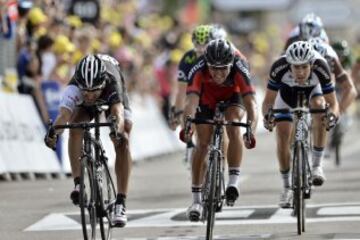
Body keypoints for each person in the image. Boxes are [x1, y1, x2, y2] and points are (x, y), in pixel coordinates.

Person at [44, 54, 132, 227]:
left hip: (111, 95)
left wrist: (117, 131)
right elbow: (64, 116)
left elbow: (118, 113)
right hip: (88, 95)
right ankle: (78, 184)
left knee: (124, 138)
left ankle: (121, 202)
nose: (90, 96)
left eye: (94, 91)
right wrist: (53, 133)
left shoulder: (111, 80)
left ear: (102, 84)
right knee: (75, 126)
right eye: (86, 91)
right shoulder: (75, 85)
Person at [180, 39, 258, 221]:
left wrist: (251, 130)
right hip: (206, 97)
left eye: (223, 68)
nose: (218, 73)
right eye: (214, 68)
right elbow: (190, 102)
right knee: (203, 143)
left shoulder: (240, 65)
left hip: (233, 96)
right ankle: (197, 200)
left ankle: (233, 182)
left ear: (231, 64)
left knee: (233, 125)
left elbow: (251, 104)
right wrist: (187, 126)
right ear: (207, 64)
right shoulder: (198, 68)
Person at [262, 41, 339, 208]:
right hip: (286, 94)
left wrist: (331, 116)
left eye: (304, 67)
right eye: (296, 67)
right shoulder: (279, 67)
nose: (301, 72)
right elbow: (268, 101)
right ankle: (287, 186)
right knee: (282, 134)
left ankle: (317, 165)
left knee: (320, 107)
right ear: (289, 64)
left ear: (311, 64)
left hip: (313, 92)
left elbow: (333, 103)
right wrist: (268, 116)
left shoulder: (321, 66)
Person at [169, 24, 214, 129]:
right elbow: (181, 90)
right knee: (188, 108)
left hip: (215, 88)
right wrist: (178, 111)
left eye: (205, 44)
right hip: (196, 90)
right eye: (198, 44)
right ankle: (190, 142)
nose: (202, 49)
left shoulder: (216, 54)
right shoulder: (188, 58)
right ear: (193, 43)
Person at [309, 38, 357, 114]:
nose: (340, 58)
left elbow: (351, 89)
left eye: (341, 56)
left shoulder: (333, 59)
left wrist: (339, 109)